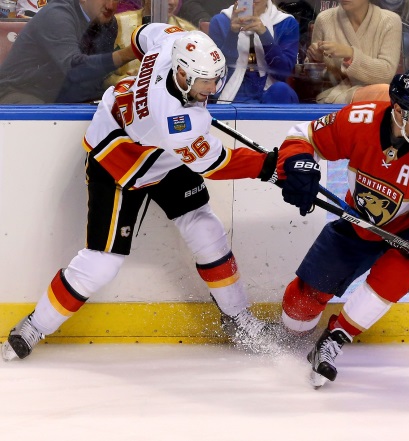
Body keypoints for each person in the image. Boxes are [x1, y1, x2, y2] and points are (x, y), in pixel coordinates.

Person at [1, 24, 283, 361]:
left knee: (206, 229)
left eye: (215, 78)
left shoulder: (175, 43)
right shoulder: (177, 123)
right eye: (205, 82)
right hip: (120, 160)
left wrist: (140, 78)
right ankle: (36, 325)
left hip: (161, 154)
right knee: (101, 264)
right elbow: (216, 164)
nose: (212, 87)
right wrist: (270, 165)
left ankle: (237, 319)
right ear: (181, 73)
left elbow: (143, 34)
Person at [274, 68, 409, 387]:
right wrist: (298, 165)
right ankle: (290, 333)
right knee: (301, 304)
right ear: (398, 111)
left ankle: (334, 339)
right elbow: (303, 136)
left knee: (400, 270)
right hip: (359, 220)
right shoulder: (359, 120)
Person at [0, 0, 138, 104]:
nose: (110, 6)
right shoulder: (57, 15)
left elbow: (94, 77)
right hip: (18, 93)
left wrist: (130, 82)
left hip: (60, 96)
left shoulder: (108, 23)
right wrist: (128, 53)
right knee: (47, 121)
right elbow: (74, 69)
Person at [305, 0, 402, 103]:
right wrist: (316, 60)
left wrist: (350, 54)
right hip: (332, 97)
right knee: (384, 93)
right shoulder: (324, 19)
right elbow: (312, 80)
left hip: (377, 95)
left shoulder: (390, 21)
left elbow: (386, 74)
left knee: (384, 93)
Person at [208, 0, 299, 103]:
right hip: (234, 92)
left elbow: (283, 72)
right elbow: (217, 74)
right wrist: (232, 34)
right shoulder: (220, 21)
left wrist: (264, 33)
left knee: (281, 91)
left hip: (269, 93)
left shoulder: (286, 23)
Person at [105, 0, 198, 87]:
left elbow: (198, 80)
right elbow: (100, 76)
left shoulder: (190, 33)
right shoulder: (117, 23)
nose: (172, 2)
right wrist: (127, 81)